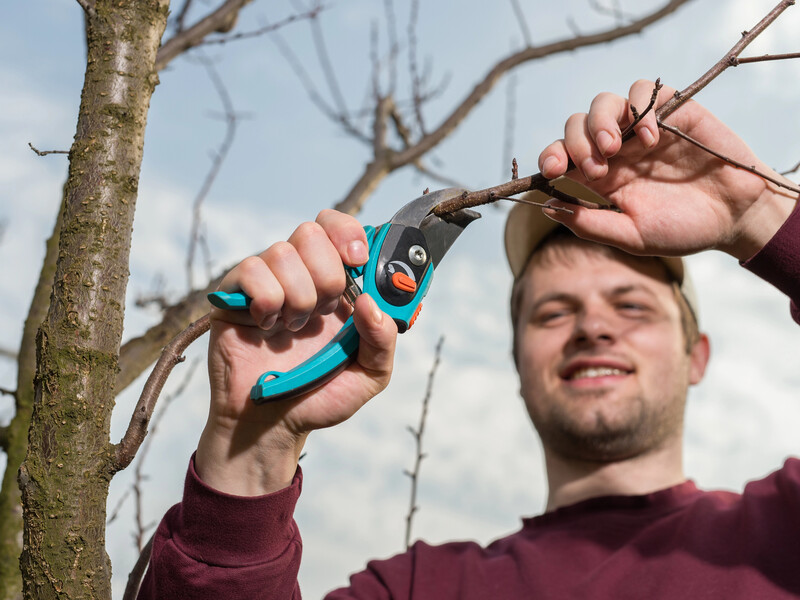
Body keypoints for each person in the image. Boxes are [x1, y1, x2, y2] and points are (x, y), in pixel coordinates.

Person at [138, 80, 800, 598]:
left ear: (697, 355)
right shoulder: (419, 591)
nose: (593, 327)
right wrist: (250, 456)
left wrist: (762, 215)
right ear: (517, 361)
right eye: (553, 313)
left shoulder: (783, 533)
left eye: (631, 306)